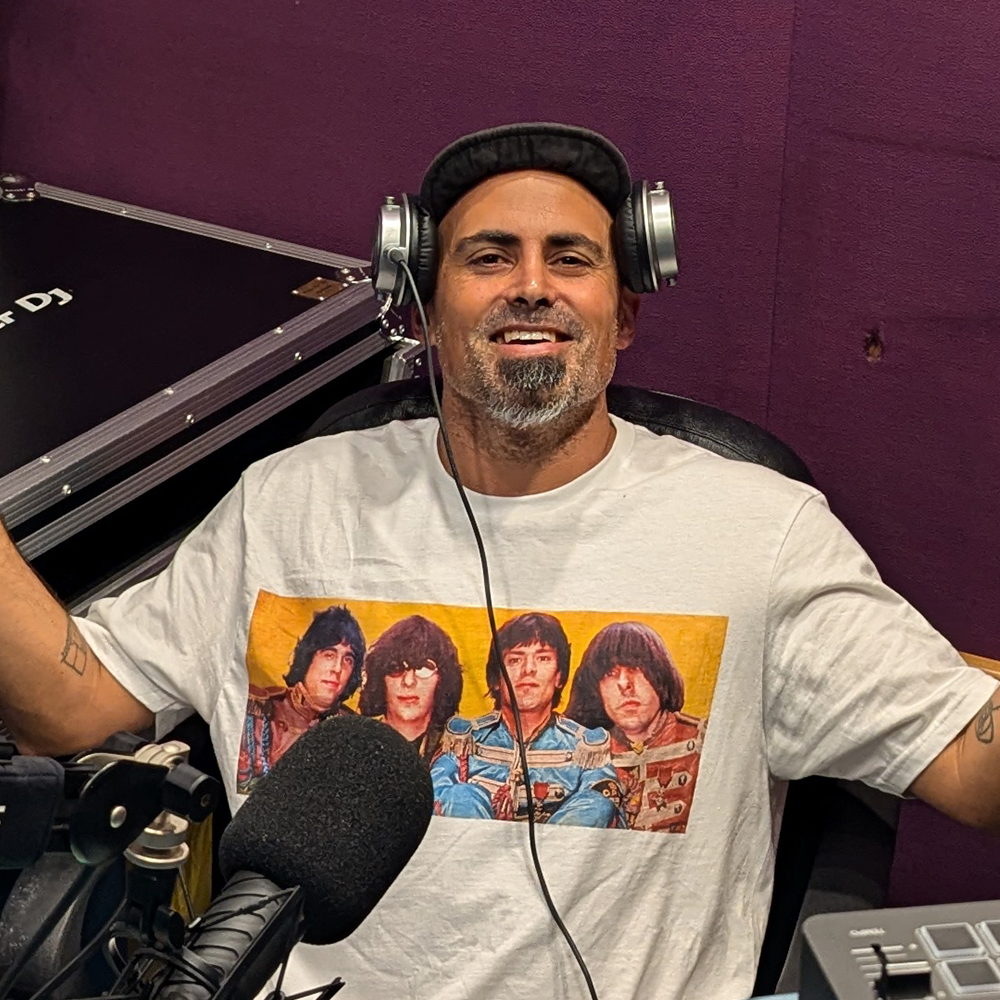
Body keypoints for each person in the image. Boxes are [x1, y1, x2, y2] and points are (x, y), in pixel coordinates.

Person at [0, 122, 997, 1000]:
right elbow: (76, 707)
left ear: (626, 312)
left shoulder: (758, 529)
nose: (531, 284)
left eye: (570, 257)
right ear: (425, 310)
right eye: (488, 256)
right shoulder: (287, 501)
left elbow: (965, 763)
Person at [431, 611, 625, 826]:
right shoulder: (464, 739)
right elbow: (434, 793)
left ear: (559, 677)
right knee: (459, 795)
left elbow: (603, 805)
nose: (529, 669)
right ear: (496, 679)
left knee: (596, 803)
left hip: (558, 847)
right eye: (515, 660)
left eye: (543, 658)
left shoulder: (586, 747)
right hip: (474, 845)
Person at [566, 620, 705, 832]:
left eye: (636, 668)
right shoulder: (582, 751)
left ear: (661, 675)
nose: (624, 684)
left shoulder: (702, 740)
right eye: (610, 673)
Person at [237, 604, 364, 791]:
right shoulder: (259, 711)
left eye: (348, 660)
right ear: (308, 658)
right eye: (329, 655)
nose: (337, 668)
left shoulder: (357, 730)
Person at [358, 613, 463, 762]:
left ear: (442, 679)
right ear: (380, 678)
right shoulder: (357, 746)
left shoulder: (459, 753)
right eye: (396, 668)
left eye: (423, 668)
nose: (408, 681)